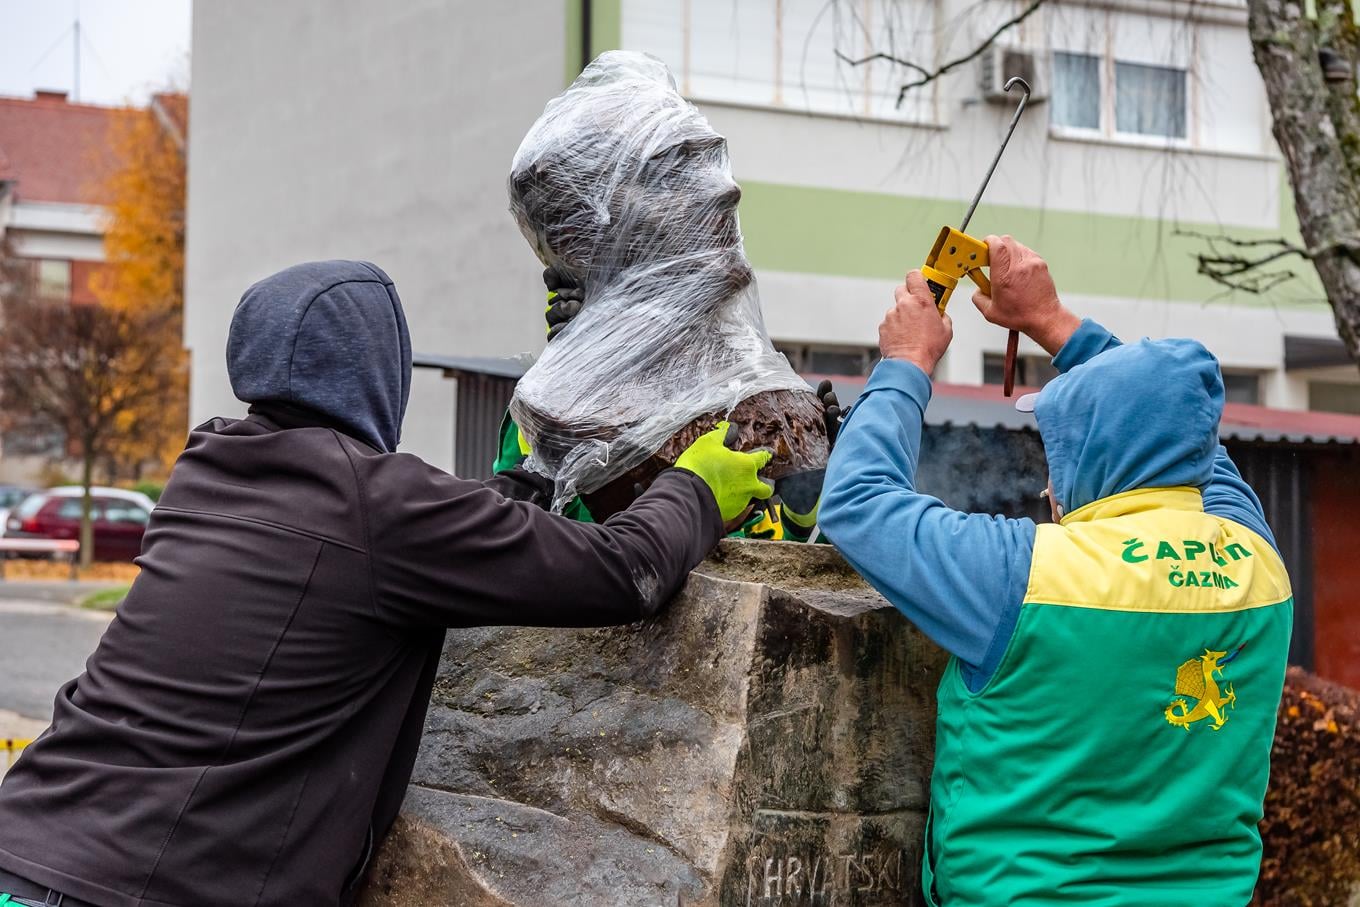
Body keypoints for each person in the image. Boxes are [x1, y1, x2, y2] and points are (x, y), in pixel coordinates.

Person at [0, 260, 773, 907]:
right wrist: (698, 485)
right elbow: (619, 572)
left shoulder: (206, 473)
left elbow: (415, 543)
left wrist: (536, 471)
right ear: (377, 369)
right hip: (140, 886)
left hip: (28, 848)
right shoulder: (377, 505)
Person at [819, 236, 1293, 906]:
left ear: (1085, 460)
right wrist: (1051, 318)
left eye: (1057, 450)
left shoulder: (1024, 575)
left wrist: (905, 362)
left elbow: (856, 501)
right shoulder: (1257, 561)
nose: (1048, 479)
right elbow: (1187, 432)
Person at [492, 265, 840, 541]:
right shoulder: (552, 410)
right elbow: (516, 526)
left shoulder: (737, 411)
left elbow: (764, 574)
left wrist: (805, 509)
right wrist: (573, 380)